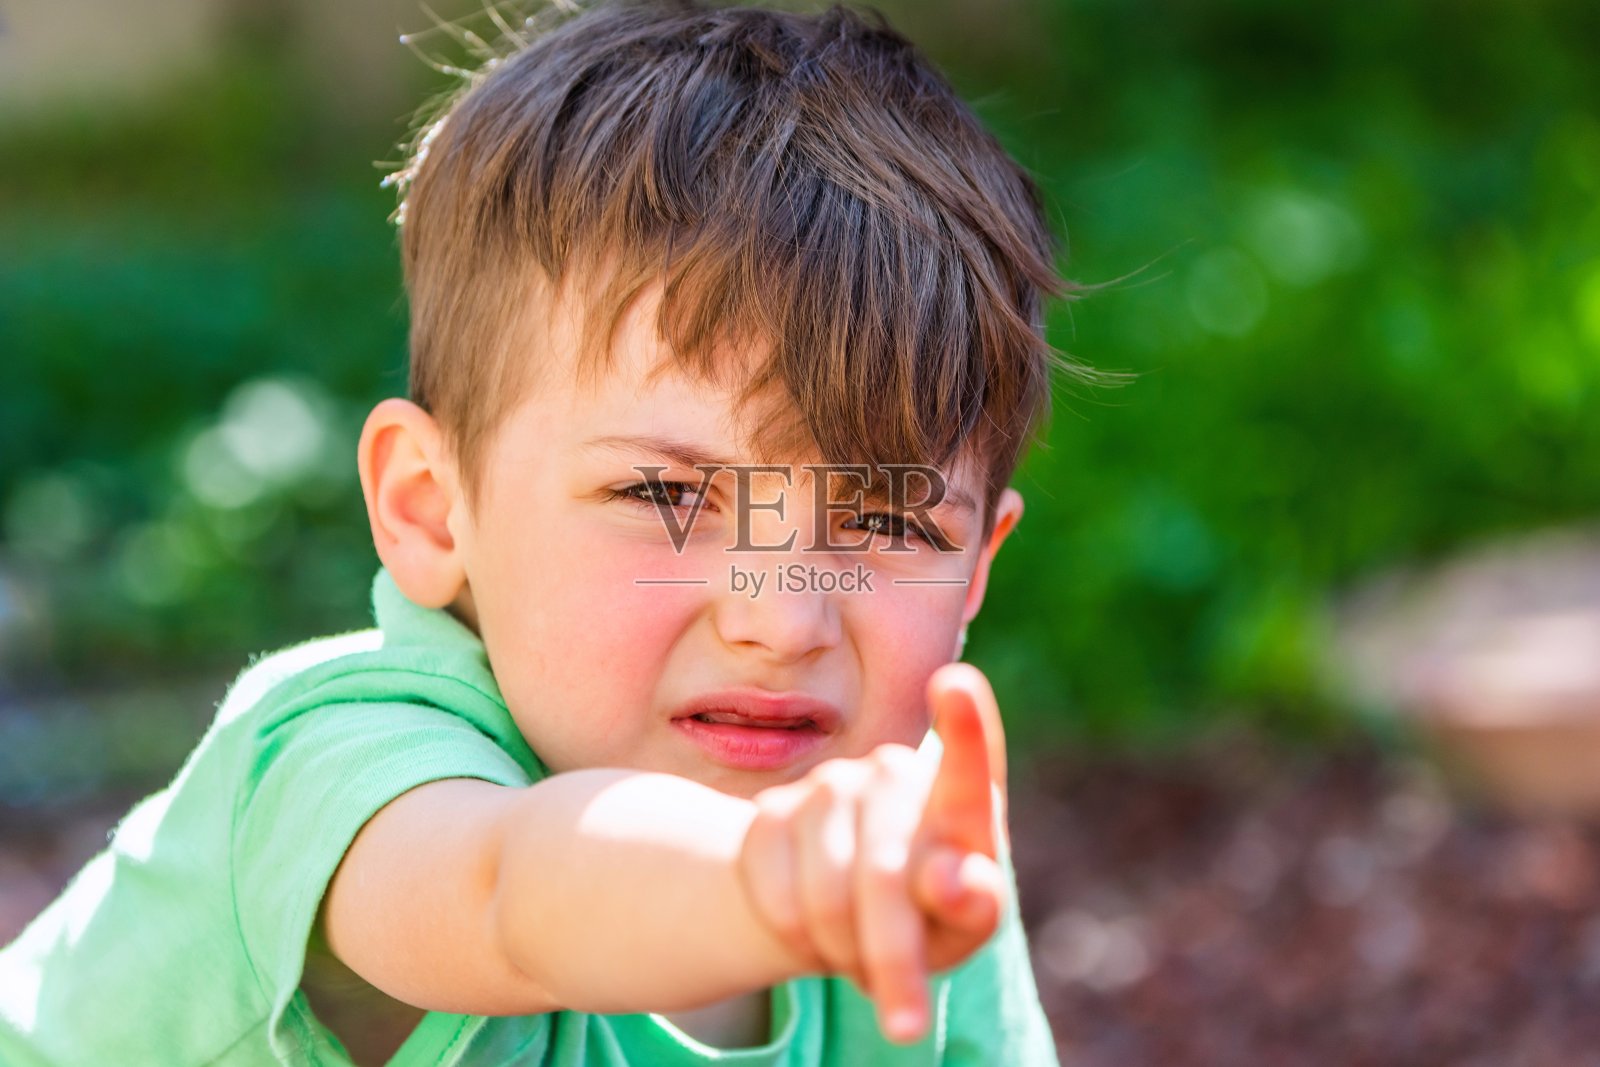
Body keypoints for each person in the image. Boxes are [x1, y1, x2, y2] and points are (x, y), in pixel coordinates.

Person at [0, 1, 1112, 1063]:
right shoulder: (340, 765)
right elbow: (508, 892)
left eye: (879, 518)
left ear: (974, 569)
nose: (780, 619)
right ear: (429, 509)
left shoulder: (895, 849)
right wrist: (764, 882)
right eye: (666, 499)